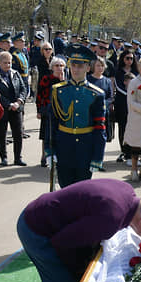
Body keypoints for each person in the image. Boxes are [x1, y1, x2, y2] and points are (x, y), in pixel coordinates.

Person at [47, 45, 107, 187]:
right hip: (64, 145)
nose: (76, 69)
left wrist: (97, 157)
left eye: (80, 66)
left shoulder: (96, 94)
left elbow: (100, 128)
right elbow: (51, 123)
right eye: (73, 65)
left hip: (85, 148)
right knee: (64, 189)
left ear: (88, 68)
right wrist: (49, 150)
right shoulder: (58, 91)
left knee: (82, 191)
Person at [0, 51, 28, 167]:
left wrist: (19, 102)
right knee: (1, 134)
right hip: (3, 109)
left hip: (16, 109)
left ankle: (18, 157)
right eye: (5, 63)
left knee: (18, 133)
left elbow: (23, 89)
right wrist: (9, 104)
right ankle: (4, 158)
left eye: (9, 63)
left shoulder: (16, 73)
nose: (8, 65)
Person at [36, 57, 67, 167]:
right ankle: (44, 156)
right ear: (52, 67)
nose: (59, 68)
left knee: (59, 133)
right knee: (45, 134)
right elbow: (39, 94)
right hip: (47, 110)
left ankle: (58, 155)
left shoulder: (66, 80)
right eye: (57, 66)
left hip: (61, 111)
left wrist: (63, 81)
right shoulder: (46, 78)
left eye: (61, 66)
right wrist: (39, 110)